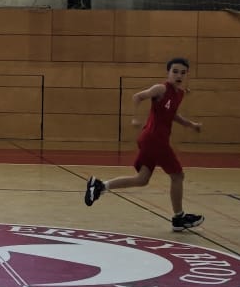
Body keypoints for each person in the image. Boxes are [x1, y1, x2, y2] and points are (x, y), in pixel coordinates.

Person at [84, 57, 205, 231]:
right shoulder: (161, 88)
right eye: (175, 71)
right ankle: (179, 218)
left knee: (142, 179)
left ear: (187, 75)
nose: (179, 75)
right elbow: (138, 97)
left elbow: (172, 115)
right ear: (168, 72)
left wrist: (191, 124)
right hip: (154, 139)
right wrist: (135, 118)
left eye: (183, 72)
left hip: (152, 140)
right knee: (177, 176)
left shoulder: (179, 94)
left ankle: (100, 186)